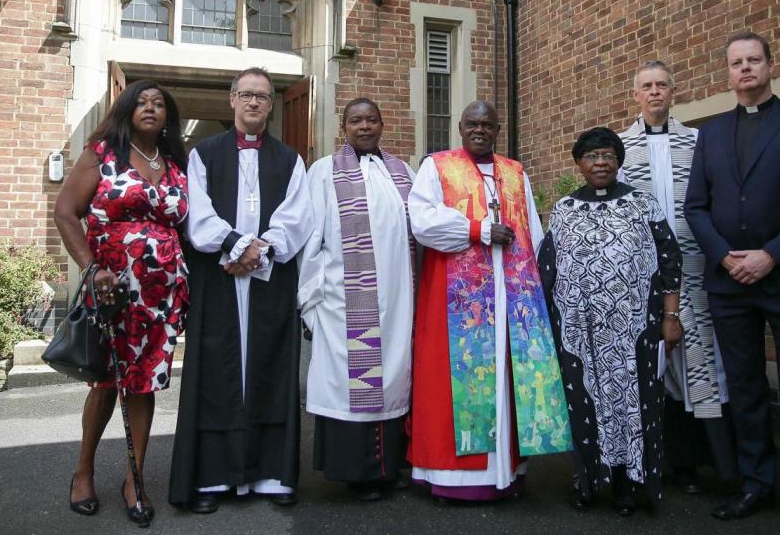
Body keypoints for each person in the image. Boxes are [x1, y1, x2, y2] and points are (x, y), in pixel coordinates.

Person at [684, 33, 780, 535]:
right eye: (736, 63)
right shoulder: (711, 133)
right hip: (729, 283)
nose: (745, 69)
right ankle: (755, 485)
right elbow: (697, 208)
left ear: (771, 66)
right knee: (746, 391)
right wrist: (725, 258)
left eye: (753, 60)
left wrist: (772, 255)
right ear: (727, 74)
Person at [407, 101, 571, 501]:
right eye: (472, 124)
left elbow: (532, 228)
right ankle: (452, 479)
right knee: (458, 381)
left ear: (498, 130)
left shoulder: (515, 172)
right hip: (458, 299)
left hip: (512, 294)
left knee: (506, 378)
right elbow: (423, 222)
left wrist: (539, 287)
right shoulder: (438, 166)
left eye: (488, 125)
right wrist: (478, 230)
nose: (479, 130)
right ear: (460, 128)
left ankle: (505, 472)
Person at [168, 67, 313, 513]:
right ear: (232, 99)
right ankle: (213, 477)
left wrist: (259, 251)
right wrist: (234, 244)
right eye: (246, 95)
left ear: (271, 105)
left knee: (271, 366)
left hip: (269, 280)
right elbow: (199, 214)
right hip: (220, 278)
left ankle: (270, 474)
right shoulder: (203, 154)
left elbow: (297, 216)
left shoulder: (290, 160)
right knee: (216, 371)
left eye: (263, 97)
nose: (254, 103)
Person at [54, 80, 189, 527]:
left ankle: (134, 478)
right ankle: (83, 472)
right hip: (113, 288)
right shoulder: (102, 153)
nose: (150, 108)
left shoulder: (175, 163)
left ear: (168, 115)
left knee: (145, 382)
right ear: (127, 110)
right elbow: (66, 211)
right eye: (141, 102)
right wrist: (92, 268)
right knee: (106, 381)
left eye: (159, 104)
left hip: (162, 295)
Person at [538, 127, 682, 516]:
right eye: (591, 157)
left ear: (618, 161)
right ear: (579, 164)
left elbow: (670, 261)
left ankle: (627, 486)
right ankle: (587, 482)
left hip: (633, 332)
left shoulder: (642, 205)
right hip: (579, 334)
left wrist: (671, 316)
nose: (600, 163)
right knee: (585, 405)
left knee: (634, 406)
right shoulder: (565, 210)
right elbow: (547, 268)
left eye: (607, 156)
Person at [618, 60, 737, 493]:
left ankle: (721, 467)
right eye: (646, 86)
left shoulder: (697, 142)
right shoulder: (620, 147)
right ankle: (664, 465)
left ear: (673, 92)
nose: (654, 93)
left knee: (702, 363)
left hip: (693, 267)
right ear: (636, 94)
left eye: (662, 85)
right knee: (652, 367)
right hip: (641, 274)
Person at [298, 98, 416, 501]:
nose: (364, 126)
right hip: (342, 302)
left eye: (371, 119)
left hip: (397, 299)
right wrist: (310, 300)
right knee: (351, 385)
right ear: (343, 127)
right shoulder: (324, 172)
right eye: (355, 120)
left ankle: (389, 467)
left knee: (393, 380)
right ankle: (356, 473)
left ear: (383, 124)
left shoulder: (403, 172)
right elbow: (309, 237)